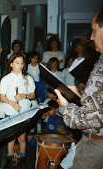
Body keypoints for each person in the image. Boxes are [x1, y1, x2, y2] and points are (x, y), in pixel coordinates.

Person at [54, 9, 103, 169]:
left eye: (94, 31)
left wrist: (65, 106)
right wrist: (80, 94)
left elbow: (94, 119)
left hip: (96, 143)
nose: (91, 37)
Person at [0, 53, 35, 169]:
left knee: (22, 137)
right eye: (17, 63)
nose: (20, 65)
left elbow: (32, 95)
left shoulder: (28, 78)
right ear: (11, 64)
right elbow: (2, 97)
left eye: (22, 63)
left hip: (24, 111)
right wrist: (13, 103)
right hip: (10, 110)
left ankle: (22, 158)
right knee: (11, 137)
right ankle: (9, 157)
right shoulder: (6, 79)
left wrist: (23, 96)